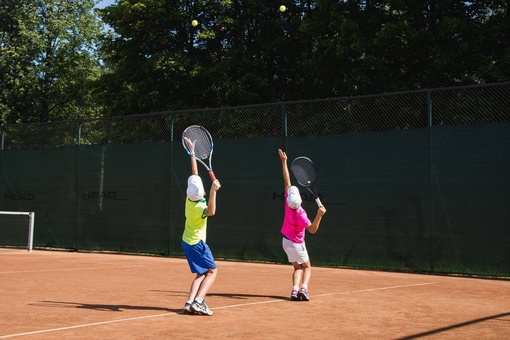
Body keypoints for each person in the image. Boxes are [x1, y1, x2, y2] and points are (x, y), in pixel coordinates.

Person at [278, 149, 326, 301]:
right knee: (307, 267)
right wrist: (319, 215)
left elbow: (287, 182)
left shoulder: (287, 205)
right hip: (297, 244)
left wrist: (284, 162)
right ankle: (304, 289)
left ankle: (294, 291)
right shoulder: (302, 214)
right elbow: (312, 230)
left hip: (285, 242)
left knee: (297, 267)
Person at [181, 137, 221, 316]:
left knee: (200, 274)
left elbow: (194, 171)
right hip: (197, 244)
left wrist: (192, 153)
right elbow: (211, 211)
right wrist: (213, 192)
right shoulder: (199, 207)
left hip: (186, 242)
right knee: (212, 272)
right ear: (203, 192)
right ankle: (198, 301)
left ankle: (189, 303)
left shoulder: (189, 201)